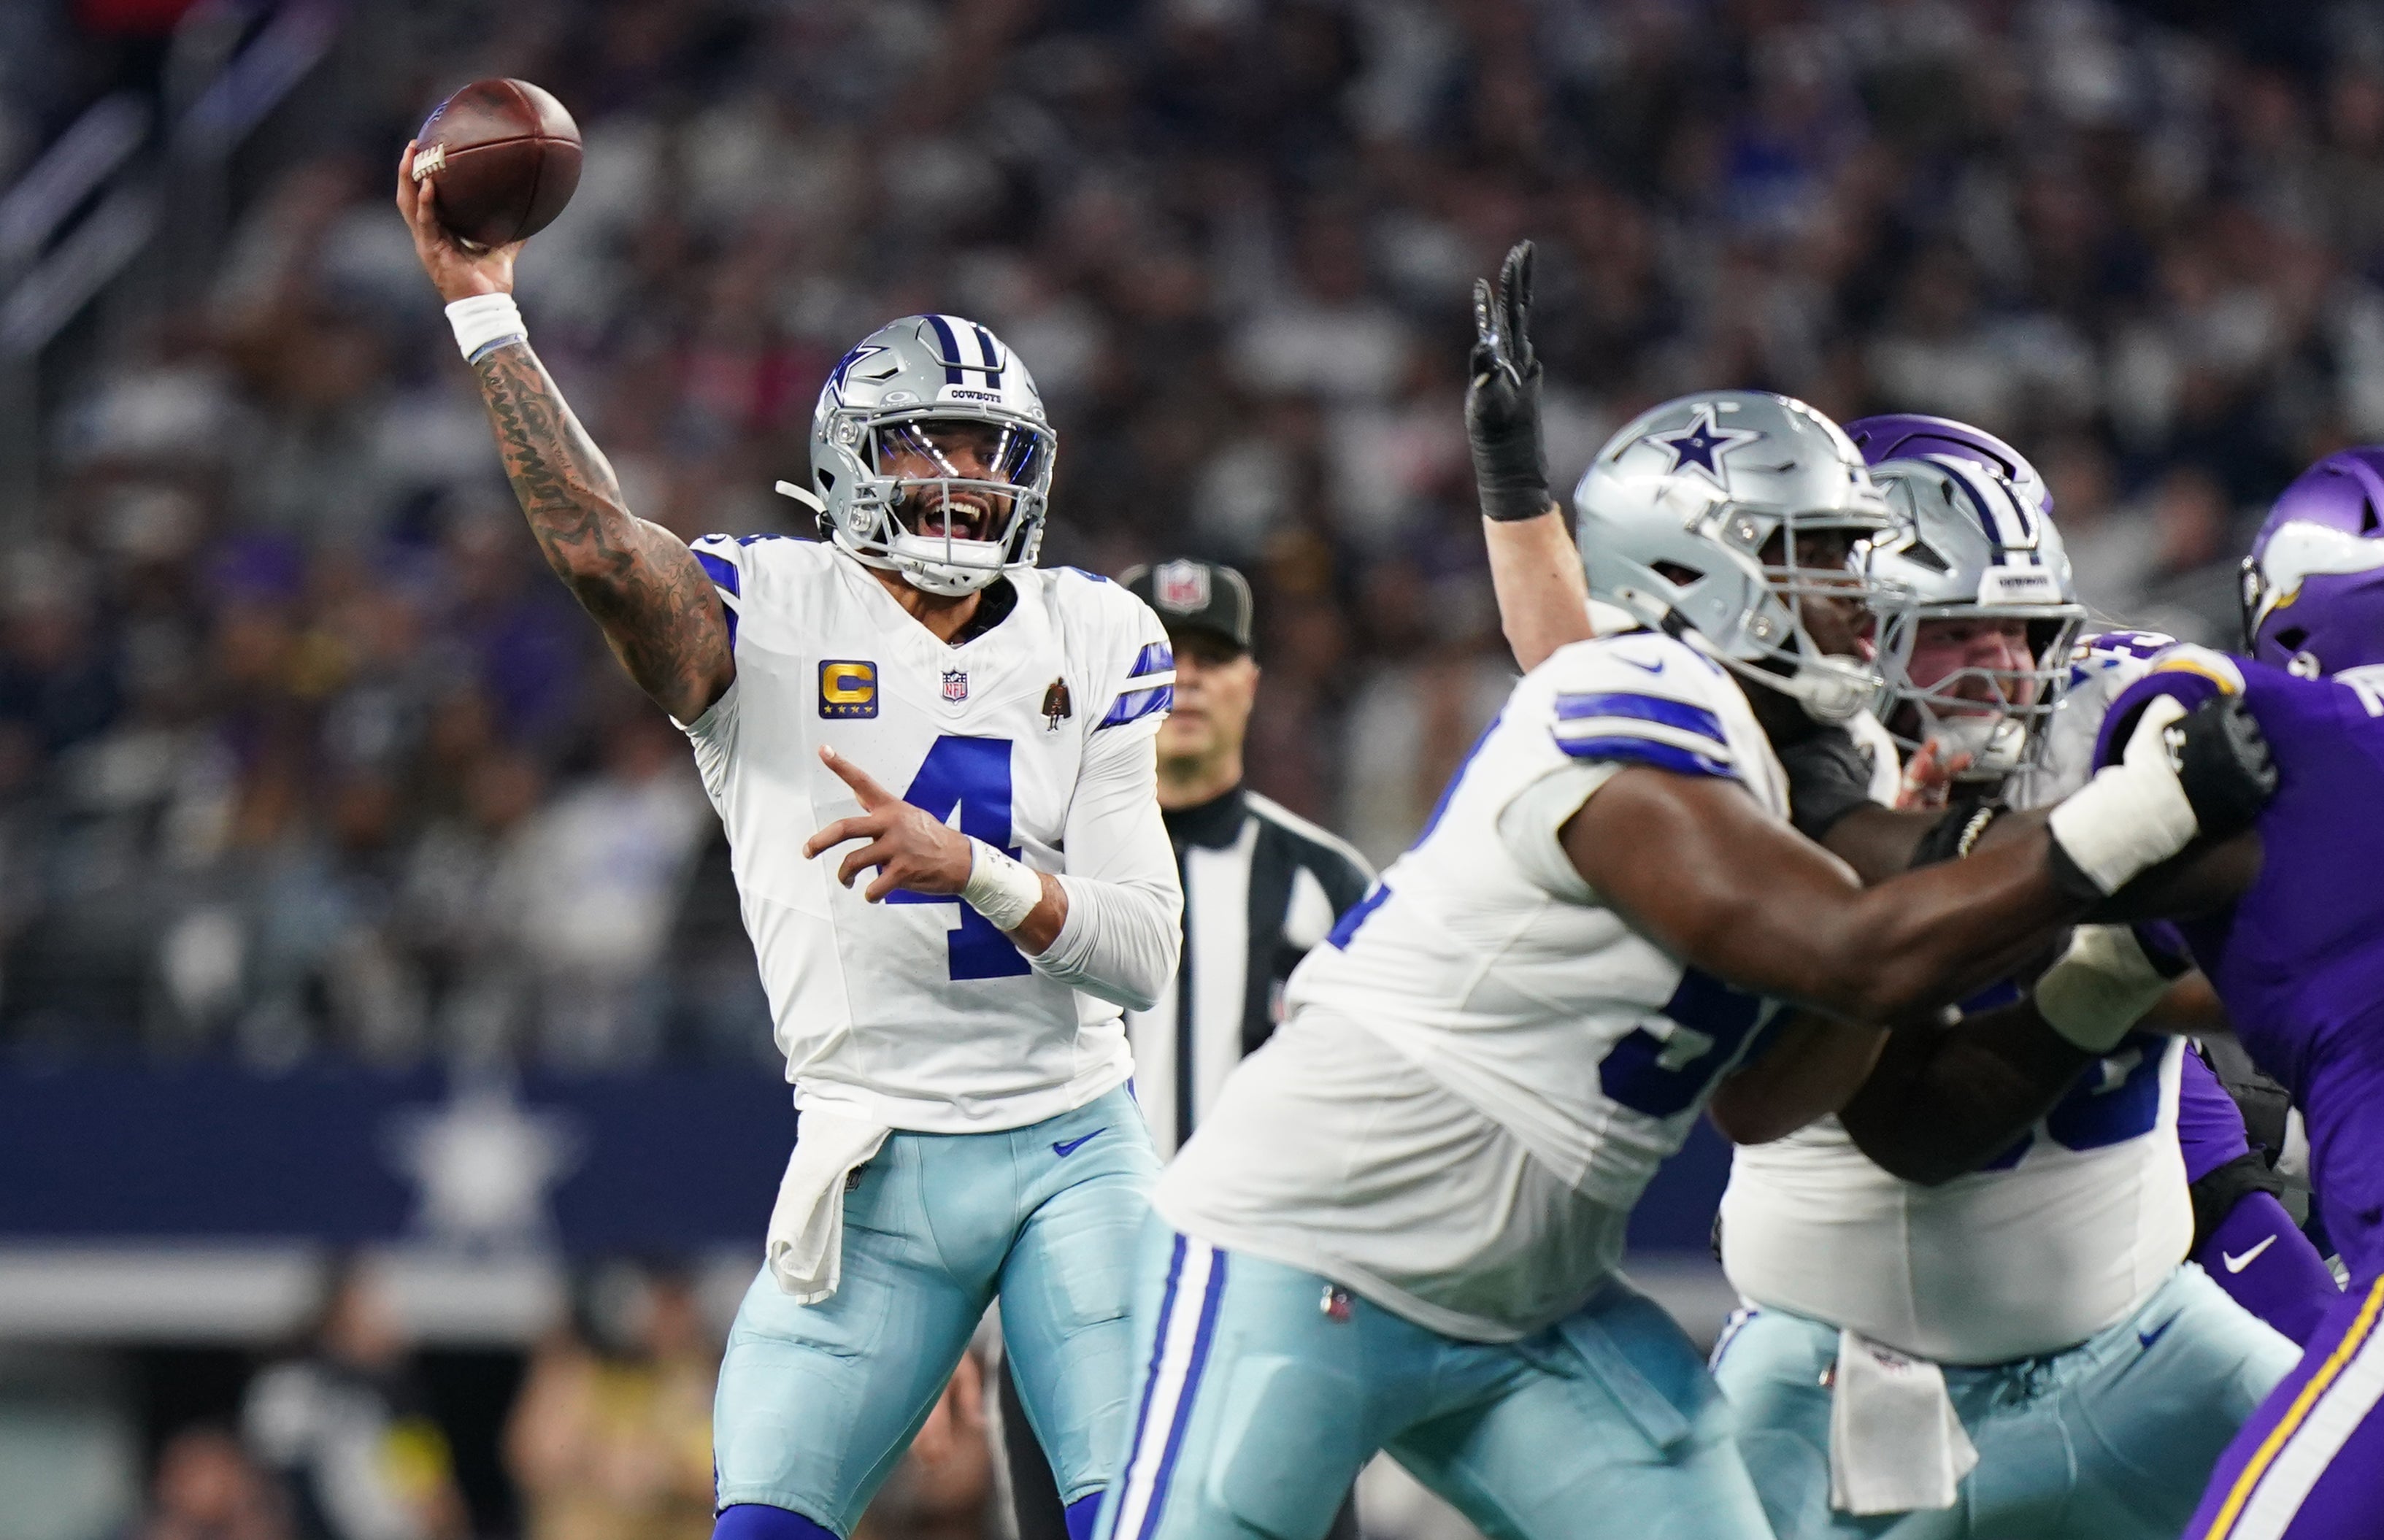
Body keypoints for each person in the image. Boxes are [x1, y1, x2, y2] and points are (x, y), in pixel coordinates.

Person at [1092, 382, 2275, 1540]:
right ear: (1697, 573)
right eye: (1824, 559)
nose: (1864, 600)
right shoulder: (1631, 696)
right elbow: (1853, 953)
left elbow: (1793, 1065)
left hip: (1537, 1301)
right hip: (1311, 1247)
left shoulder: (1827, 750)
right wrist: (2138, 824)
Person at [1464, 243, 2315, 1537]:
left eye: (2019, 629)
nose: (1996, 666)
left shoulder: (2132, 710)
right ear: (1846, 621)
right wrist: (1515, 495)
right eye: (1951, 632)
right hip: (1832, 1373)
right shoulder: (1768, 754)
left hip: (2146, 1345)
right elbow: (1572, 676)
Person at [396, 149, 1183, 1540]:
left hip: (1072, 1140)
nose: (958, 484)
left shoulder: (1099, 629)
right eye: (922, 447)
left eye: (987, 453)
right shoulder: (765, 605)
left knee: (1152, 1521)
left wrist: (977, 871)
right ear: (843, 460)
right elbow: (595, 552)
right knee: (759, 1522)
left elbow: (1142, 953)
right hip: (869, 1152)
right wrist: (486, 314)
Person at [1850, 446, 2384, 1540]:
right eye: (1958, 632)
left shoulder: (2279, 737)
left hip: (2107, 1286)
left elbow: (2179, 725)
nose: (1996, 666)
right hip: (1881, 1309)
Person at [999, 558, 1371, 1540]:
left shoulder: (1326, 882)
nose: (1188, 680)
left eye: (1213, 657)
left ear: (1252, 682)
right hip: (1073, 1310)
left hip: (1275, 1320)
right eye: (1162, 657)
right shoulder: (1028, 877)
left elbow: (1379, 1116)